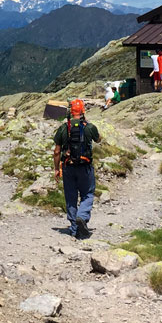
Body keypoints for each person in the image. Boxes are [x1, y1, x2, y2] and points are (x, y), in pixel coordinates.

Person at [53, 99, 100, 239]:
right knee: (88, 194)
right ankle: (82, 216)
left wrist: (56, 169)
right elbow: (98, 140)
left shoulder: (63, 128)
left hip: (68, 167)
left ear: (70, 111)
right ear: (83, 111)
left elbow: (56, 151)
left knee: (71, 197)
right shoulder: (89, 127)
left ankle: (74, 229)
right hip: (85, 167)